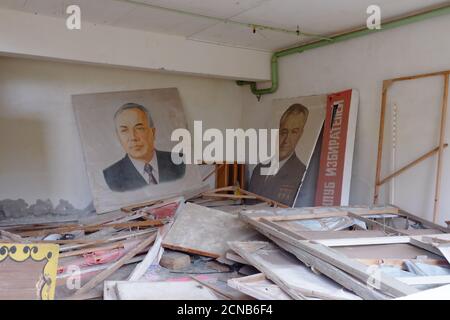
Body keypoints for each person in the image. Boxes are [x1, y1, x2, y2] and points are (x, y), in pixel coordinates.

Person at [103, 103, 185, 192]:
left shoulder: (180, 161)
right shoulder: (110, 176)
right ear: (118, 137)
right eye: (124, 130)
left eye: (139, 128)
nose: (133, 137)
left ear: (153, 133)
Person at [249, 103, 309, 206]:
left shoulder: (303, 174)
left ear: (301, 134)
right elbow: (248, 204)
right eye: (284, 132)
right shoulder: (259, 169)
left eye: (294, 132)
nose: (286, 140)